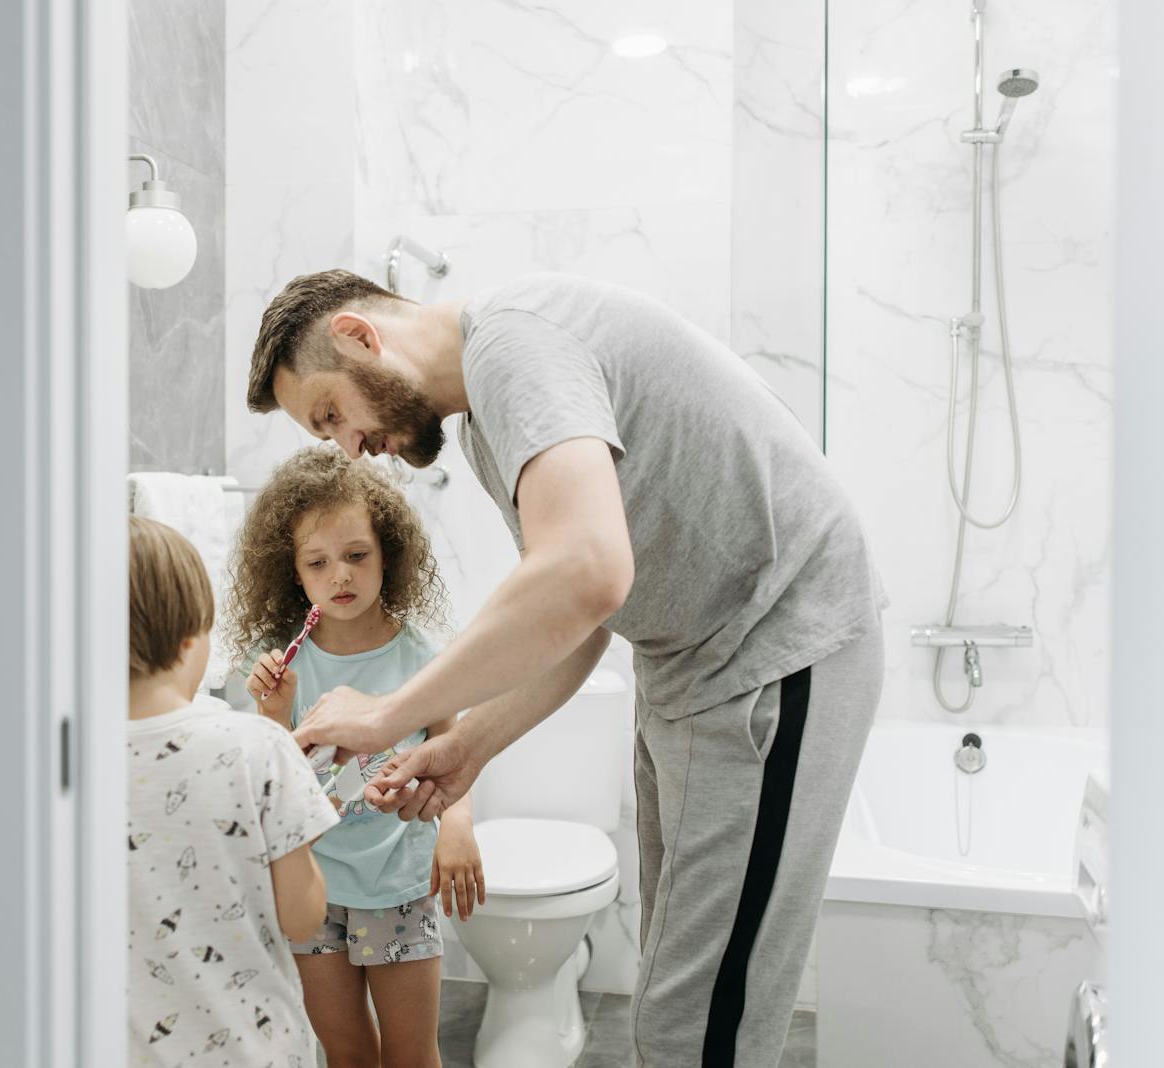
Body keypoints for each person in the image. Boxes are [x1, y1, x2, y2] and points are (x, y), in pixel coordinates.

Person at [244, 270, 887, 1067]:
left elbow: (587, 571)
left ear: (359, 337)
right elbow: (577, 614)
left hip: (773, 647)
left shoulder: (514, 348)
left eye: (333, 414)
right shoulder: (486, 412)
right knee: (679, 989)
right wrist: (470, 744)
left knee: (699, 1018)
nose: (350, 447)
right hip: (698, 669)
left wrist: (384, 714)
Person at [224, 446, 485, 1068]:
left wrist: (458, 824)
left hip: (397, 881)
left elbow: (453, 754)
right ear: (294, 573)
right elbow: (274, 778)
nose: (339, 575)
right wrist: (273, 712)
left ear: (387, 555)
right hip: (313, 887)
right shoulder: (280, 660)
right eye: (317, 562)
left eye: (356, 556)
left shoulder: (424, 658)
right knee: (344, 1052)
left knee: (412, 1055)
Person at [126, 516, 339, 1066]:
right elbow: (302, 916)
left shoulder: (59, 765)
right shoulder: (259, 748)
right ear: (192, 639)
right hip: (254, 1049)